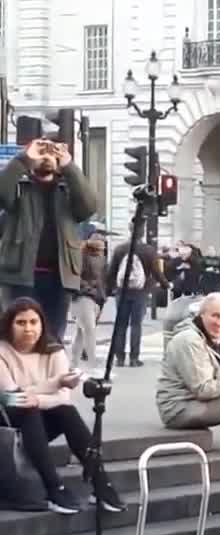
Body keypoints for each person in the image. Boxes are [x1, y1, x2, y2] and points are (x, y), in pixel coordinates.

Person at [0, 297, 123, 514]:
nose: (28, 329)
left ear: (42, 324)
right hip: (9, 424)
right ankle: (54, 486)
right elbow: (10, 397)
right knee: (27, 409)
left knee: (66, 411)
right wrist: (54, 384)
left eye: (33, 322)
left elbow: (64, 398)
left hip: (41, 420)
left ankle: (101, 483)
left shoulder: (53, 349)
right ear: (9, 325)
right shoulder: (2, 351)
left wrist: (39, 398)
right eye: (21, 323)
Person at [0, 138, 98, 338]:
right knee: (18, 339)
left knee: (53, 341)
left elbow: (88, 207)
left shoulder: (68, 191)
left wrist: (69, 166)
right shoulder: (20, 186)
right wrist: (23, 159)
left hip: (60, 279)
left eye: (52, 153)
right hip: (19, 276)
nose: (47, 157)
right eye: (41, 152)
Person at [155, 292, 220, 433]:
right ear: (202, 314)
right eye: (215, 316)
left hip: (190, 403)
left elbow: (218, 379)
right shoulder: (190, 340)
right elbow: (203, 389)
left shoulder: (206, 336)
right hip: (178, 409)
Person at [105, 236, 164, 367]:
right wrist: (165, 285)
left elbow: (111, 272)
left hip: (122, 291)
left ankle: (119, 358)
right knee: (136, 325)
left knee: (120, 325)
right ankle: (134, 358)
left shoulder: (120, 249)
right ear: (143, 233)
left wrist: (109, 289)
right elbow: (156, 272)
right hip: (140, 292)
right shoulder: (148, 250)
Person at [69, 225, 107, 370]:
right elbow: (76, 275)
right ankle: (93, 363)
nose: (100, 239)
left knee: (81, 331)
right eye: (96, 236)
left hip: (95, 296)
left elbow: (103, 277)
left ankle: (73, 364)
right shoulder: (81, 254)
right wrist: (89, 288)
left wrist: (102, 294)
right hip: (83, 296)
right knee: (89, 330)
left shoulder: (101, 256)